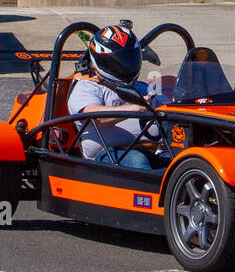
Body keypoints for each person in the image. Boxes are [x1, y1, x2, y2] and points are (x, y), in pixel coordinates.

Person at [66, 20, 167, 170]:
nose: (126, 64)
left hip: (154, 150)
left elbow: (171, 109)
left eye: (130, 58)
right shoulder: (87, 86)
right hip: (107, 156)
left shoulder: (142, 87)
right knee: (137, 161)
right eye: (121, 60)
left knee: (185, 158)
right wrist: (134, 109)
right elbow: (94, 117)